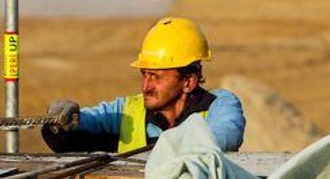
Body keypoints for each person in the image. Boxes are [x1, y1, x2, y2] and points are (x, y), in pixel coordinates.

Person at [42, 17, 245, 152]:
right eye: (144, 75)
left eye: (156, 76)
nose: (145, 86)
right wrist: (62, 121)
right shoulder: (129, 110)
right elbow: (87, 122)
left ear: (188, 81)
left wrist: (164, 145)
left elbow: (224, 136)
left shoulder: (220, 105)